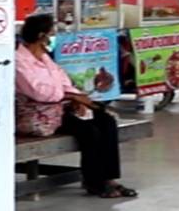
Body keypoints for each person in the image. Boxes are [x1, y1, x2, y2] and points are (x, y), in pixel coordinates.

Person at [14, 13, 136, 198]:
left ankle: (109, 179)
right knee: (89, 132)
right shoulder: (19, 62)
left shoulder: (45, 58)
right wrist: (71, 96)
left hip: (59, 110)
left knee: (106, 121)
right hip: (38, 115)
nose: (54, 37)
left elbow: (64, 82)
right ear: (41, 36)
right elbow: (39, 92)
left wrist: (77, 98)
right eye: (52, 33)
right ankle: (95, 183)